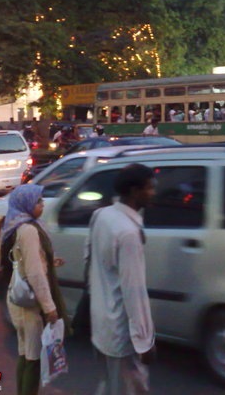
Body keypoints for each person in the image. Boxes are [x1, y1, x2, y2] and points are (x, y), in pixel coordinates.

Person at [85, 164, 157, 394]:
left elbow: (88, 260)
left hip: (102, 325)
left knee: (110, 385)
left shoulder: (102, 215)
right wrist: (144, 341)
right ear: (135, 191)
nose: (153, 193)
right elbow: (133, 290)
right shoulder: (127, 233)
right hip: (121, 334)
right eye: (149, 188)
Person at [0, 184, 67, 395]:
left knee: (24, 352)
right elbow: (35, 273)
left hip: (18, 300)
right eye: (38, 201)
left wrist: (49, 260)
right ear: (26, 204)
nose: (42, 204)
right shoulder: (28, 230)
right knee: (33, 357)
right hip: (29, 304)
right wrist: (49, 307)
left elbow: (26, 259)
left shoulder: (18, 225)